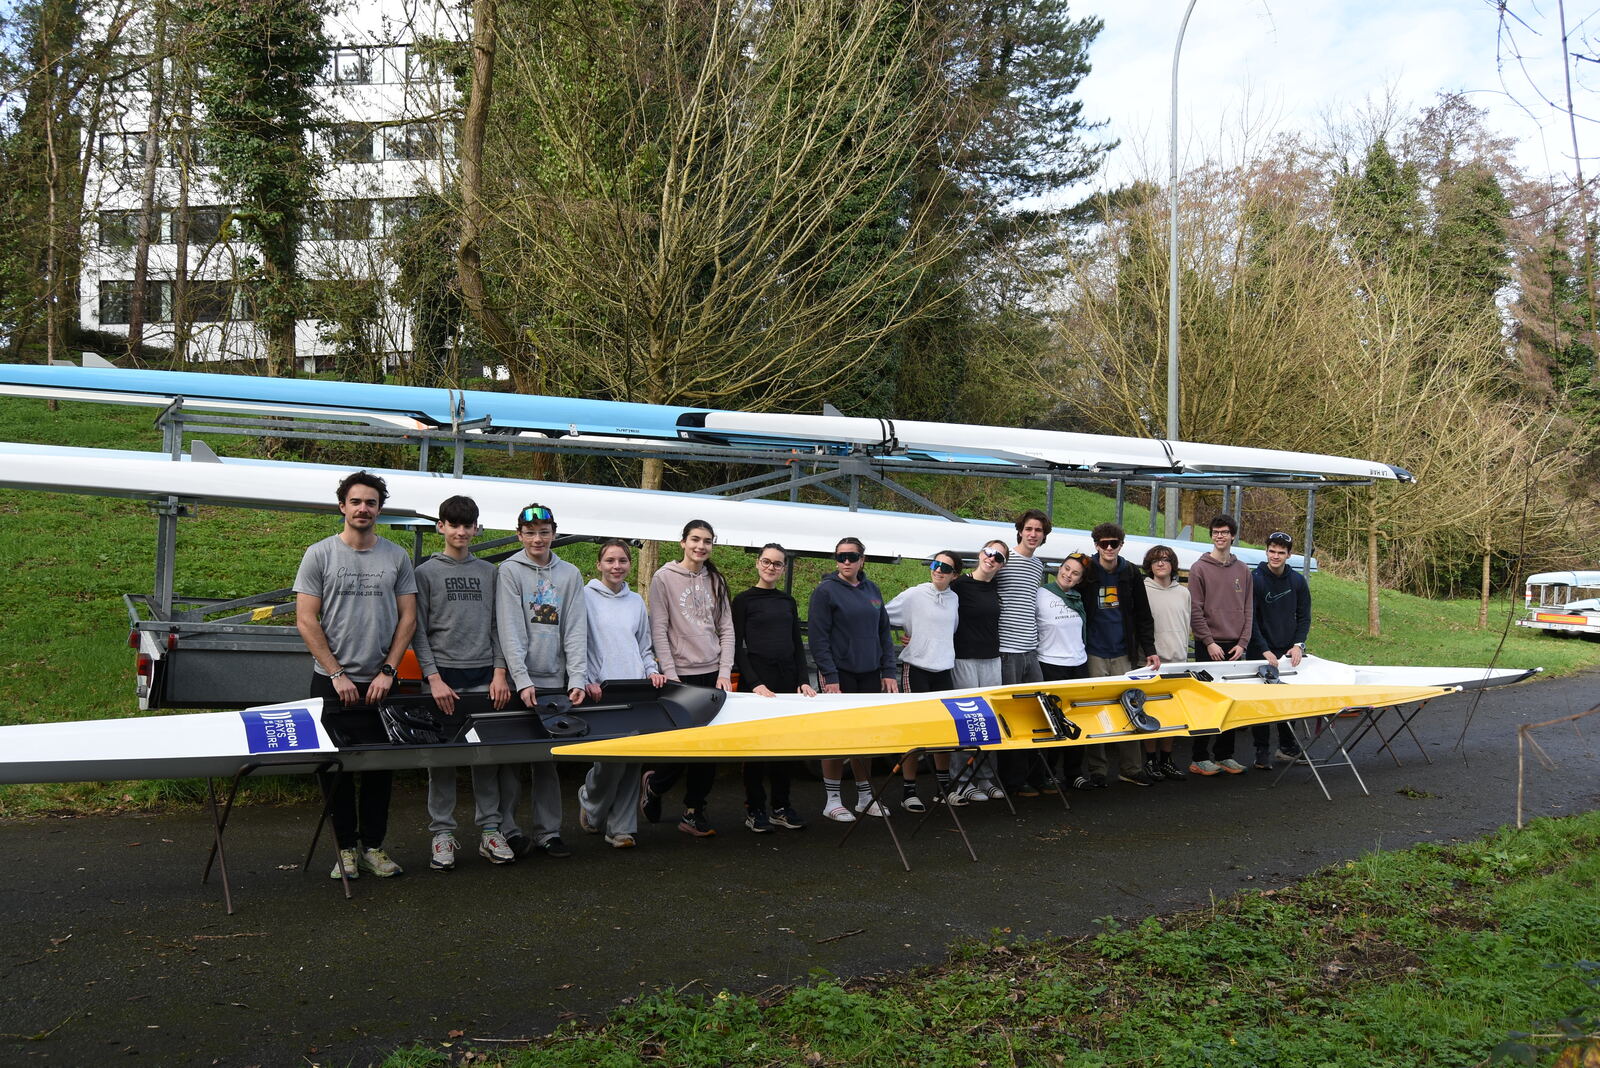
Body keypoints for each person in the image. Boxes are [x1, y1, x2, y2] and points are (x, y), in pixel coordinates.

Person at [294, 470, 417, 880]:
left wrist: (387, 671)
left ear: (379, 509)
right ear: (342, 506)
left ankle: (374, 848)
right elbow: (306, 620)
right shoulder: (319, 555)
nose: (363, 509)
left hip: (382, 683)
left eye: (371, 502)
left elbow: (408, 618)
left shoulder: (396, 557)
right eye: (356, 502)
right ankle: (345, 849)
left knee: (381, 769)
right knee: (336, 770)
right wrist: (336, 673)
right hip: (332, 683)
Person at [412, 495, 515, 871]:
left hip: (484, 677)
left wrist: (500, 671)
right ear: (441, 526)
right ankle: (442, 834)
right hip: (442, 680)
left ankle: (491, 828)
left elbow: (498, 625)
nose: (461, 531)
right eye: (453, 524)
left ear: (476, 528)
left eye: (467, 525)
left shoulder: (490, 572)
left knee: (484, 755)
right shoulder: (424, 573)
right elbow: (417, 631)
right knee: (440, 758)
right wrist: (433, 678)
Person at [495, 502, 587, 859]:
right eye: (530, 532)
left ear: (554, 534)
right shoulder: (509, 571)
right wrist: (520, 677)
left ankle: (548, 832)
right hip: (522, 681)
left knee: (547, 759)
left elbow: (576, 629)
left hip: (555, 680)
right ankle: (508, 829)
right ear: (520, 535)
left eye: (544, 532)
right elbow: (510, 627)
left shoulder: (570, 575)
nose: (537, 538)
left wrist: (576, 675)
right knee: (510, 759)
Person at [644, 519, 735, 837]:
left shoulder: (716, 580)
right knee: (683, 748)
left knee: (709, 749)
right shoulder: (664, 578)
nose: (701, 546)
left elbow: (726, 628)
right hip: (681, 674)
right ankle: (655, 785)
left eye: (707, 541)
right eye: (695, 539)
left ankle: (694, 811)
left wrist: (724, 672)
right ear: (682, 542)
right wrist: (670, 674)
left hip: (712, 673)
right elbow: (659, 628)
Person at [578, 539, 664, 848]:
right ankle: (589, 799)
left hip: (635, 687)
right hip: (601, 688)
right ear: (599, 565)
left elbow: (643, 646)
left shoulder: (636, 602)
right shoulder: (585, 597)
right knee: (610, 760)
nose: (617, 566)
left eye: (622, 561)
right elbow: (580, 644)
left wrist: (651, 671)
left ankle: (621, 829)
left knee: (633, 761)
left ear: (629, 565)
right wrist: (587, 679)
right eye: (610, 560)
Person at [807, 537, 899, 821]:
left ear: (863, 559)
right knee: (835, 737)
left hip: (870, 673)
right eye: (841, 557)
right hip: (840, 675)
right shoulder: (825, 592)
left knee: (865, 738)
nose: (846, 562)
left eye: (852, 556)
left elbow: (884, 633)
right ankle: (832, 799)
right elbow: (818, 637)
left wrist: (889, 670)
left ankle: (864, 796)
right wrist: (830, 676)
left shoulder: (873, 590)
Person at [730, 543, 813, 833]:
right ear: (757, 563)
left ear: (784, 569)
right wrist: (754, 683)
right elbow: (736, 648)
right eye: (766, 561)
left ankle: (781, 806)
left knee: (784, 749)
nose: (771, 567)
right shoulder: (743, 601)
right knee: (756, 751)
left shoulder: (787, 601)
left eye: (777, 564)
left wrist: (803, 680)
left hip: (787, 682)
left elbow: (797, 647)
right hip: (757, 684)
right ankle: (755, 809)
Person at [1077, 522, 1161, 789]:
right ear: (1096, 545)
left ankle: (1131, 768)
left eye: (1114, 543)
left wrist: (1149, 650)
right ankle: (1097, 770)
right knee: (1095, 710)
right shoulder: (1086, 570)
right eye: (1104, 544)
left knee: (1130, 708)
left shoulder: (1130, 573)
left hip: (1123, 650)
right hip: (1093, 651)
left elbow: (1143, 615)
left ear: (1121, 545)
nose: (1109, 548)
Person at [886, 550, 961, 812]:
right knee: (914, 730)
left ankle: (943, 787)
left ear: (955, 575)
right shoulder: (914, 594)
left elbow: (949, 631)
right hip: (916, 667)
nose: (938, 569)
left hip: (943, 669)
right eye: (935, 564)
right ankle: (909, 791)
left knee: (943, 731)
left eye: (945, 567)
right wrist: (904, 636)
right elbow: (881, 616)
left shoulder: (954, 599)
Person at [1187, 513, 1254, 777]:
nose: (1220, 536)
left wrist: (1244, 642)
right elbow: (1195, 610)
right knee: (1206, 702)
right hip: (1209, 647)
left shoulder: (1243, 570)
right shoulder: (1199, 568)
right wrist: (1208, 642)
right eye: (1216, 532)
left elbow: (1248, 608)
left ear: (1233, 535)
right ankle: (1199, 757)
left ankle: (1225, 755)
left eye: (1225, 532)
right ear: (1211, 535)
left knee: (1231, 702)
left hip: (1236, 647)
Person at [993, 509, 1050, 796]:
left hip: (1031, 650)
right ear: (1020, 531)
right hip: (1007, 651)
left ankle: (1035, 776)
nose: (1033, 534)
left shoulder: (1038, 565)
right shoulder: (1005, 560)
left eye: (1038, 530)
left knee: (1037, 713)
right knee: (1011, 716)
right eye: (1028, 529)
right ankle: (1012, 781)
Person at [947, 540, 1009, 801]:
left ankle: (984, 777)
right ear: (980, 553)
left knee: (989, 721)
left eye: (999, 557)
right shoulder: (958, 585)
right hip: (965, 659)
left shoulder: (995, 587)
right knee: (967, 721)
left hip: (991, 660)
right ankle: (961, 780)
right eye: (989, 552)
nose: (992, 558)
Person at [1247, 531, 1311, 768]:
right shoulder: (1256, 579)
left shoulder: (1297, 581)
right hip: (1261, 650)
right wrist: (1263, 648)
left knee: (1288, 700)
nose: (1276, 556)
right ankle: (1261, 752)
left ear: (1289, 555)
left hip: (1287, 652)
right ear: (1266, 551)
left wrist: (1298, 645)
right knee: (1262, 702)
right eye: (1272, 551)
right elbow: (1250, 618)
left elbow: (1304, 617)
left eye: (1281, 552)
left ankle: (1287, 747)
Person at [1035, 552, 1089, 790]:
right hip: (1051, 664)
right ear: (1060, 568)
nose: (1068, 574)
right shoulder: (1041, 594)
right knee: (1052, 722)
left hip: (1078, 664)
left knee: (1077, 720)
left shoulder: (1078, 597)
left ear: (1080, 579)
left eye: (1075, 573)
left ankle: (1074, 773)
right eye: (1066, 568)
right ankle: (1047, 772)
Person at [1140, 544, 1189, 782]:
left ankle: (1166, 759)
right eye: (1156, 560)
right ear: (1149, 565)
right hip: (1151, 662)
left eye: (1166, 559)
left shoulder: (1183, 593)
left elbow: (1186, 624)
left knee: (1172, 714)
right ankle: (1150, 760)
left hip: (1177, 660)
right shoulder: (1143, 590)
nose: (1161, 563)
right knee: (1151, 712)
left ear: (1173, 564)